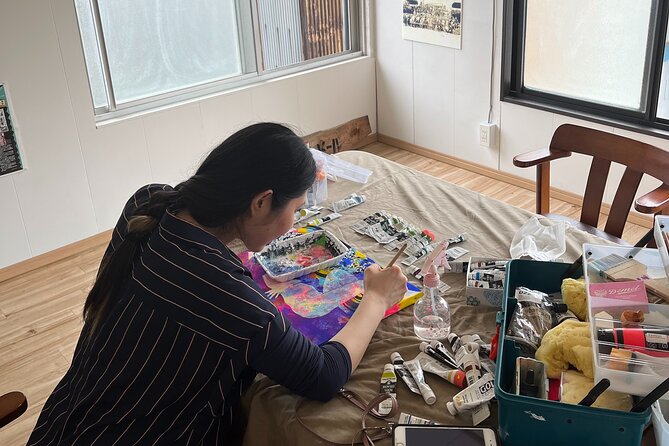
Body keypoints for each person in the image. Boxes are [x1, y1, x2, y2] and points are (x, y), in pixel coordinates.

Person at [27, 123, 407, 445]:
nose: (295, 220)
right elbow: (323, 374)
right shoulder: (227, 295)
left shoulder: (147, 202)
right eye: (295, 209)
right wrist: (374, 298)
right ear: (261, 202)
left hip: (62, 423)